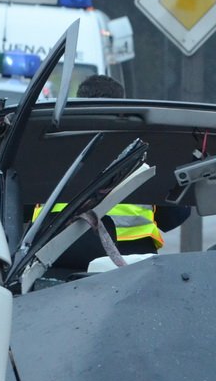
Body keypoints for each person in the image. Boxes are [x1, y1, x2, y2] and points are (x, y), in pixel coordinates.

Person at [36, 74, 189, 255]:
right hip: (131, 262)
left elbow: (17, 211)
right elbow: (172, 218)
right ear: (121, 106)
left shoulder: (48, 151)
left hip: (56, 256)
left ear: (79, 103)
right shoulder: (145, 152)